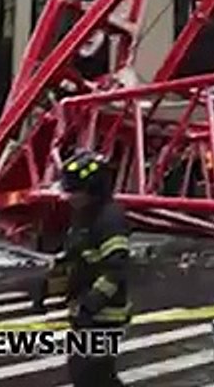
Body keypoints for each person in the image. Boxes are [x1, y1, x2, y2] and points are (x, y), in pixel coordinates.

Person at [60, 149, 133, 387]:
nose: (69, 197)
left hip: (104, 316)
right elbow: (76, 257)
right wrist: (47, 284)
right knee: (94, 376)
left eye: (74, 191)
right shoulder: (83, 215)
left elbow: (116, 270)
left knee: (90, 375)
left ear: (92, 190)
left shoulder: (109, 220)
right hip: (87, 316)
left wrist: (91, 304)